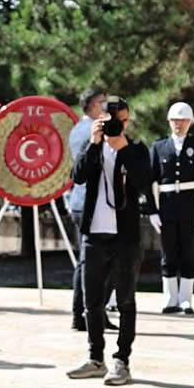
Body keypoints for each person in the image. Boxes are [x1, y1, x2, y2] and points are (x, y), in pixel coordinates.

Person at [67, 97, 151, 385]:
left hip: (125, 237)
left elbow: (143, 182)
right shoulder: (93, 146)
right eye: (113, 121)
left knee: (126, 300)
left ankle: (122, 360)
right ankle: (95, 358)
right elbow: (77, 176)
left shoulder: (136, 149)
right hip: (94, 234)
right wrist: (94, 143)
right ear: (99, 120)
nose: (119, 125)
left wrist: (122, 149)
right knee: (92, 301)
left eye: (123, 121)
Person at [148, 101, 194, 315]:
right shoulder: (158, 147)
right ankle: (170, 299)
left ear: (190, 122)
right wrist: (152, 210)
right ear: (169, 121)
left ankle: (185, 300)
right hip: (166, 207)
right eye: (175, 120)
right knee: (168, 253)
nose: (179, 124)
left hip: (190, 207)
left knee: (188, 252)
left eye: (183, 120)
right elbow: (149, 182)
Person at [66, 89, 106, 332]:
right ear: (92, 105)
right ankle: (81, 313)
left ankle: (90, 312)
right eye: (103, 102)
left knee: (91, 261)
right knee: (88, 262)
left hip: (85, 203)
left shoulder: (80, 128)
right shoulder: (88, 130)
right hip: (87, 203)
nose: (106, 106)